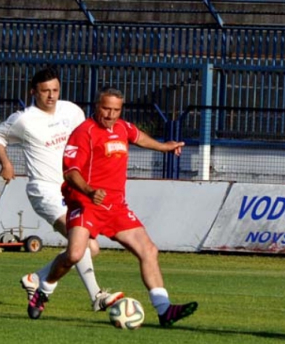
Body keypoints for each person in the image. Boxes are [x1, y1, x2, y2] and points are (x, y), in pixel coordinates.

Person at [27, 86, 198, 326]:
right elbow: (70, 172)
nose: (110, 114)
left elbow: (138, 137)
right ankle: (43, 290)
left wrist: (164, 146)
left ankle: (164, 310)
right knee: (75, 254)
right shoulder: (84, 132)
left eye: (116, 110)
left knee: (148, 250)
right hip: (86, 203)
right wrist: (89, 190)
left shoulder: (122, 127)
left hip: (115, 206)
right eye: (106, 108)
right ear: (97, 106)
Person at [0, 67, 124, 311]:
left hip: (73, 190)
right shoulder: (23, 119)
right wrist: (6, 163)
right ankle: (96, 296)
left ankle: (36, 279)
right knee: (81, 243)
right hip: (45, 191)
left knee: (91, 247)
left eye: (55, 90)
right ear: (33, 91)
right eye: (45, 91)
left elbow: (87, 139)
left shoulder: (71, 110)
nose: (51, 95)